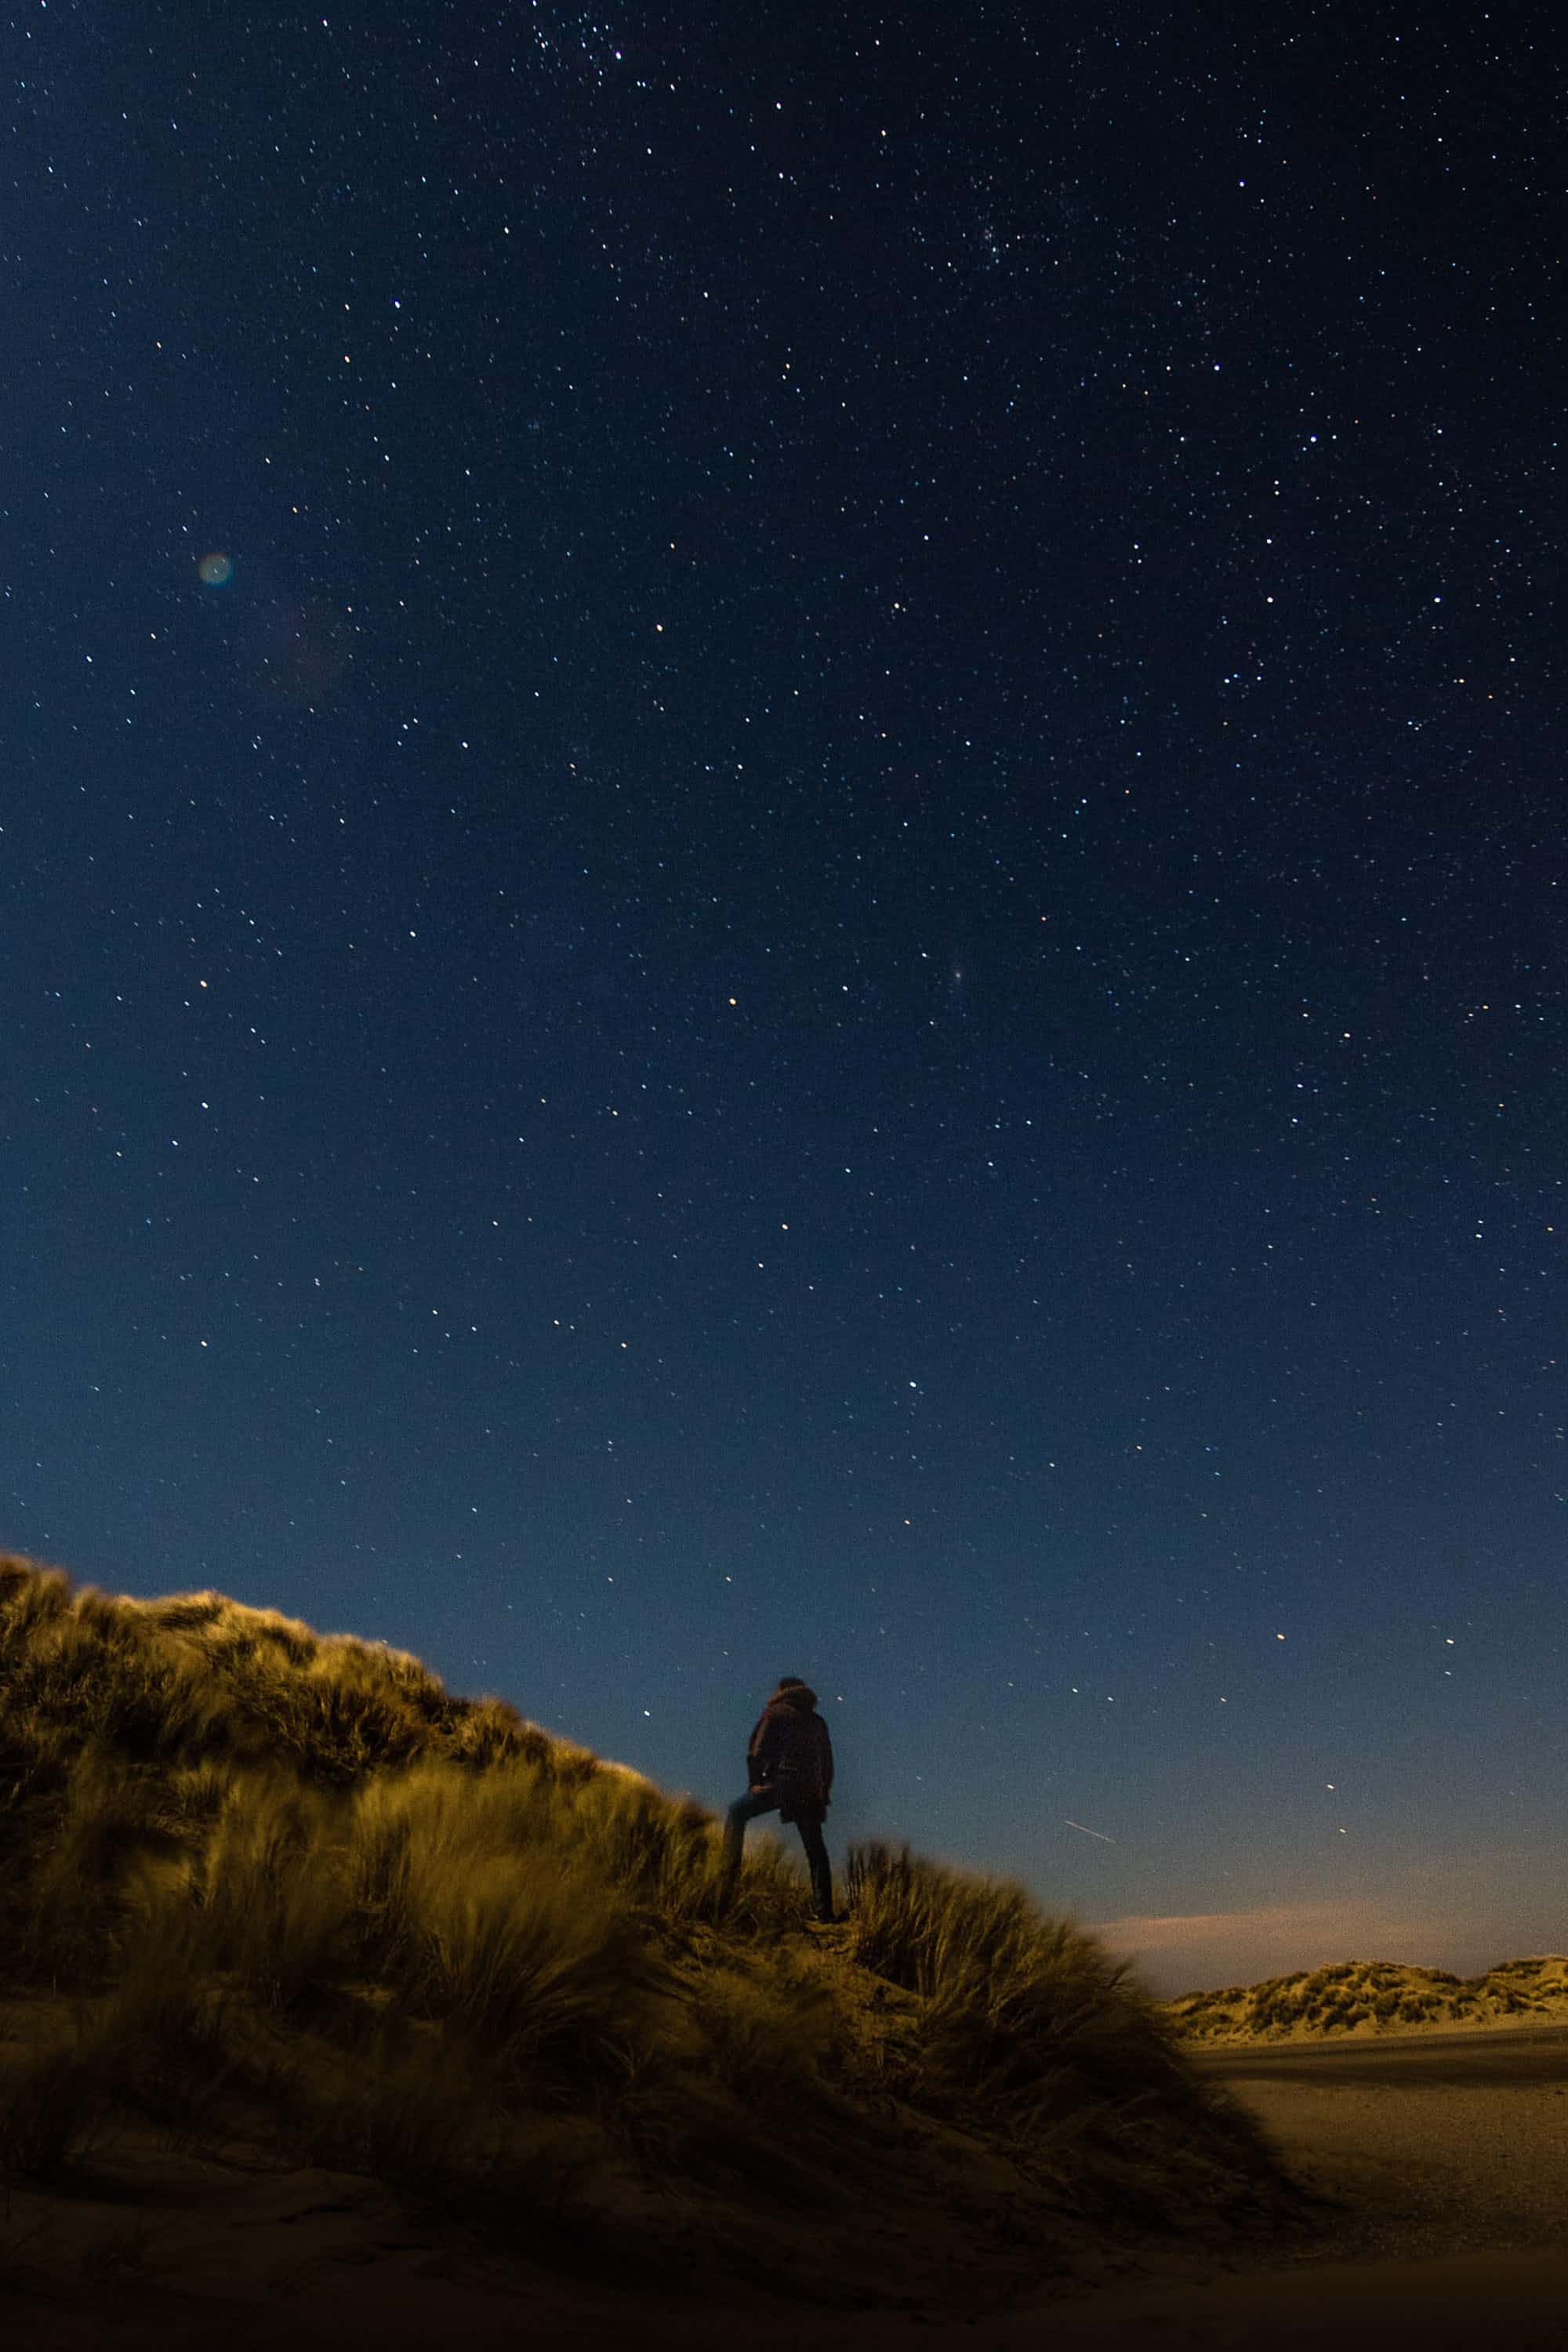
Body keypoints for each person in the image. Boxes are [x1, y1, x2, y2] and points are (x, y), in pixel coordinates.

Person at [720, 1675, 835, 1922]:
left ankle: (727, 1885)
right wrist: (823, 1793)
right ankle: (824, 1911)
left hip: (782, 1783)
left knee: (736, 1814)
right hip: (809, 1792)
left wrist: (754, 1783)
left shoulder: (775, 1713)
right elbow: (827, 1764)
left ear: (783, 1691)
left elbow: (756, 1751)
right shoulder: (818, 1722)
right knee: (816, 1850)